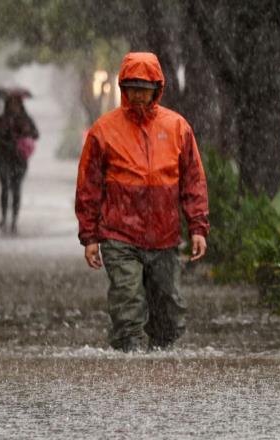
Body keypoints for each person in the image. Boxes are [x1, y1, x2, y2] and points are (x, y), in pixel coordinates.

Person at [75, 52, 209, 352]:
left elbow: (192, 180)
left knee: (169, 312)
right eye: (133, 88)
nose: (138, 95)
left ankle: (159, 360)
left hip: (164, 236)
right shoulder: (103, 131)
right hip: (118, 235)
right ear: (123, 88)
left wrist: (197, 227)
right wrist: (90, 237)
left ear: (156, 89)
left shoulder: (177, 128)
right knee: (127, 306)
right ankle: (130, 363)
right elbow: (89, 186)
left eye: (144, 89)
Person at [0, 95, 38, 233]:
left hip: (19, 160)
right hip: (3, 157)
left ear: (20, 104)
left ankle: (14, 220)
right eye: (10, 103)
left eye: (16, 103)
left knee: (16, 189)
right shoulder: (0, 120)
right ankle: (4, 217)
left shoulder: (25, 120)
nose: (13, 106)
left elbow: (35, 134)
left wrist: (25, 132)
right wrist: (0, 131)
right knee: (4, 187)